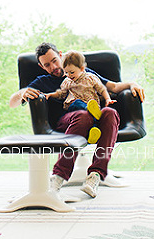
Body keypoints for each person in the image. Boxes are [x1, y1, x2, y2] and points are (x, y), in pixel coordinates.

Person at [9, 42, 145, 198]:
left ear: (60, 55)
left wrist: (132, 84)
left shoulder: (84, 73)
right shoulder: (42, 81)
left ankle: (95, 175)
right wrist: (22, 93)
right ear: (42, 67)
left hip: (94, 118)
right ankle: (59, 176)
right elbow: (12, 103)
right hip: (67, 122)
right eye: (47, 65)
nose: (53, 67)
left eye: (54, 60)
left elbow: (113, 87)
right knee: (83, 115)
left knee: (110, 113)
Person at [43, 50, 116, 144]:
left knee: (92, 118)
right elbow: (61, 93)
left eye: (72, 72)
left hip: (92, 104)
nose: (69, 75)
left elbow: (102, 89)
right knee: (77, 103)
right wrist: (50, 94)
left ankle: (93, 132)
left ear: (82, 68)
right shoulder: (67, 81)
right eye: (66, 72)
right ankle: (89, 109)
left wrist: (108, 99)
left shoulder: (91, 78)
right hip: (74, 107)